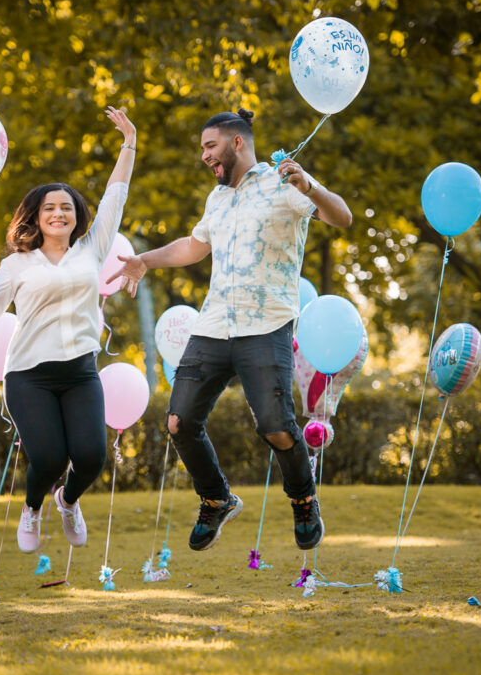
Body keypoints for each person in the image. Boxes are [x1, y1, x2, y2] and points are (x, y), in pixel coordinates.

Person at [106, 108, 351, 552]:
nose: (204, 156)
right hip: (214, 325)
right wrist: (146, 260)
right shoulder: (216, 199)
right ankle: (216, 499)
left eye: (210, 146)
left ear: (237, 143)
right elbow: (195, 246)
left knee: (277, 428)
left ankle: (303, 499)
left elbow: (342, 217)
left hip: (267, 325)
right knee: (179, 423)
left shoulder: (284, 183)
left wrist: (310, 185)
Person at [0, 106, 137, 553]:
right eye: (49, 208)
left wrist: (128, 142)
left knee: (91, 456)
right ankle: (32, 508)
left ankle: (67, 501)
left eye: (66, 208)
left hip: (80, 372)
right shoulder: (16, 264)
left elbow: (116, 195)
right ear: (36, 216)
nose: (58, 214)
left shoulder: (92, 249)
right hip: (28, 375)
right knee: (49, 458)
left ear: (75, 217)